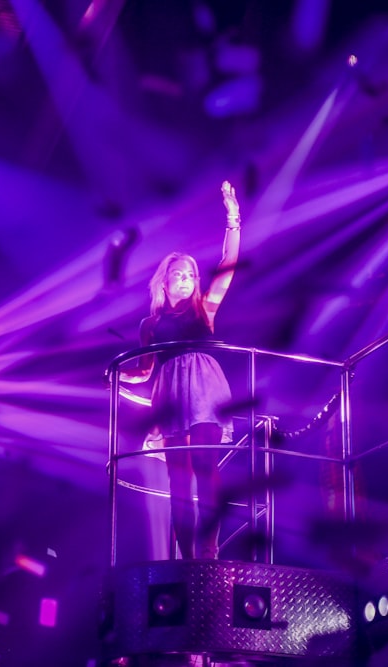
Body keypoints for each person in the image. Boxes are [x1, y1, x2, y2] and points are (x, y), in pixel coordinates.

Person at [121, 181, 241, 560]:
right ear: (166, 280)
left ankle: (209, 550)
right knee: (178, 479)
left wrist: (233, 218)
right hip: (170, 394)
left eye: (190, 275)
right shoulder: (150, 324)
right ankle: (187, 555)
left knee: (206, 469)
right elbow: (144, 371)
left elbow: (227, 267)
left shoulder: (204, 307)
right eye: (179, 275)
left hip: (205, 387)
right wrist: (119, 377)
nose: (186, 280)